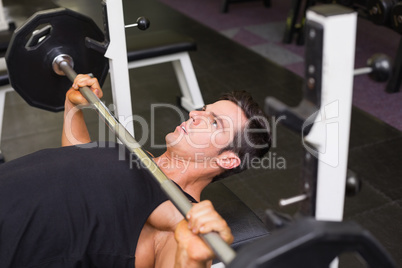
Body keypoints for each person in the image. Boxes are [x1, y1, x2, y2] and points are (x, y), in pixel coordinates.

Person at [0, 75, 271, 268]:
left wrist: (195, 259)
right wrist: (74, 109)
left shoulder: (179, 219)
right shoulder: (143, 158)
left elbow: (178, 255)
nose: (194, 114)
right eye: (203, 109)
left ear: (228, 159)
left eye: (214, 123)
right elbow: (78, 166)